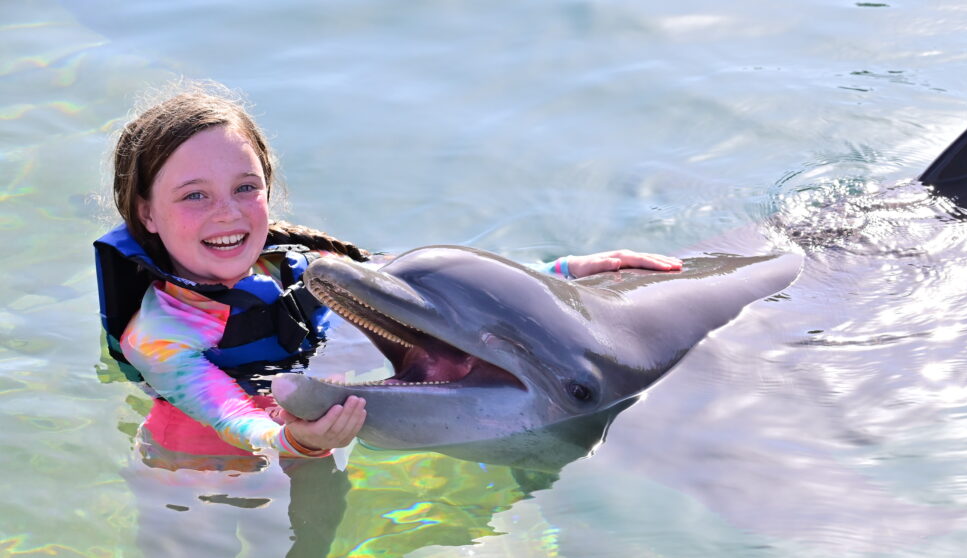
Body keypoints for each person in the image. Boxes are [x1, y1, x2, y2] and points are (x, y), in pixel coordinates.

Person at [94, 82, 682, 462]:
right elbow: (227, 415)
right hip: (202, 457)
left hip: (308, 425)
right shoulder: (161, 335)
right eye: (194, 196)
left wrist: (562, 273)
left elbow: (422, 291)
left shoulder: (290, 266)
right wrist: (290, 441)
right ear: (145, 211)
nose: (227, 212)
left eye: (245, 188)